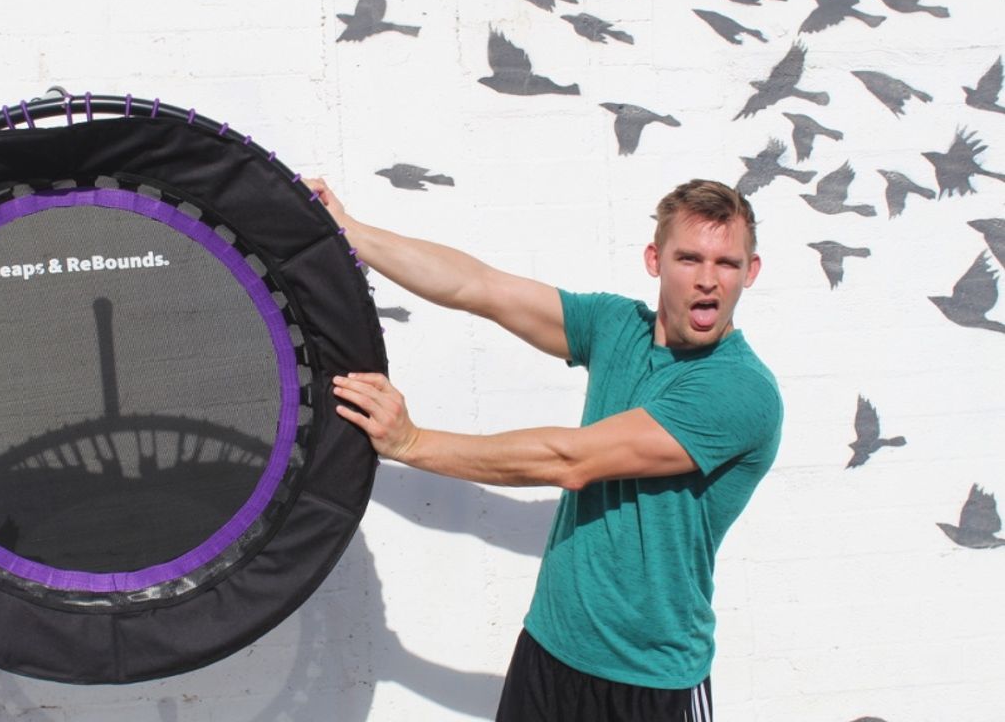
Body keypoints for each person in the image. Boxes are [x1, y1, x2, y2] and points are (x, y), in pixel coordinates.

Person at [306, 177, 782, 722]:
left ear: (751, 271)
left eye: (726, 264)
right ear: (655, 260)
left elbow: (571, 460)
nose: (707, 281)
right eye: (689, 258)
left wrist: (412, 442)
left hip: (649, 681)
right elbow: (477, 287)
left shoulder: (739, 391)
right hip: (550, 648)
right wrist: (348, 231)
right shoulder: (615, 327)